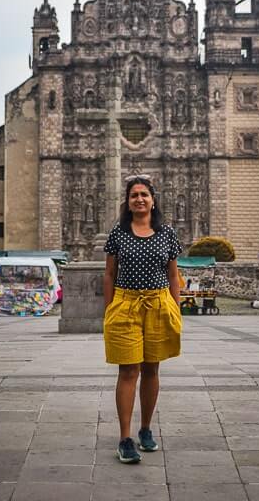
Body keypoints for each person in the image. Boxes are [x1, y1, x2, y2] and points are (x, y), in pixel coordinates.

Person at [103, 175, 182, 464]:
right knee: (128, 371)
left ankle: (145, 429)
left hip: (159, 304)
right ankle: (125, 438)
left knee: (151, 370)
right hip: (126, 304)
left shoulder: (167, 234)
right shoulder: (118, 233)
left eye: (144, 194)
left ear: (153, 199)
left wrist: (176, 310)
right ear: (127, 201)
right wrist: (110, 309)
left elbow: (174, 275)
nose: (139, 199)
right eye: (134, 195)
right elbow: (109, 274)